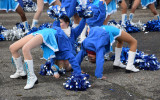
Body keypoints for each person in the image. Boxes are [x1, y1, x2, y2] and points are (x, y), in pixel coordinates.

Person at [9, 15, 82, 90]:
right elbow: (73, 61)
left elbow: (57, 61)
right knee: (13, 48)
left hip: (47, 33)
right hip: (47, 32)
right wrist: (78, 74)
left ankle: (32, 77)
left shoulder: (60, 54)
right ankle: (21, 71)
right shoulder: (67, 50)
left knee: (24, 49)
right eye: (65, 64)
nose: (64, 64)